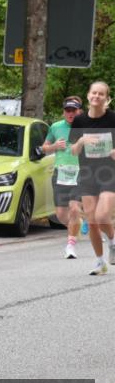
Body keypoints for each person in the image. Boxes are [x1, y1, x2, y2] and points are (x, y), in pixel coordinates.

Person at [69, 80, 115, 275]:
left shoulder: (113, 119)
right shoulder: (80, 121)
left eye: (101, 94)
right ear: (88, 96)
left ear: (107, 98)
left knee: (102, 215)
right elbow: (73, 150)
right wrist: (81, 140)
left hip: (109, 173)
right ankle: (100, 262)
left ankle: (112, 241)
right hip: (88, 174)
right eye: (93, 93)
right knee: (92, 221)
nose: (97, 96)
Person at [42, 96, 84, 259]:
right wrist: (54, 146)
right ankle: (76, 225)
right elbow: (44, 148)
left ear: (79, 111)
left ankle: (70, 245)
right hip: (60, 173)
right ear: (64, 112)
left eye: (73, 110)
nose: (70, 113)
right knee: (60, 215)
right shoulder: (56, 127)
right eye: (68, 110)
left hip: (80, 172)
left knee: (74, 208)